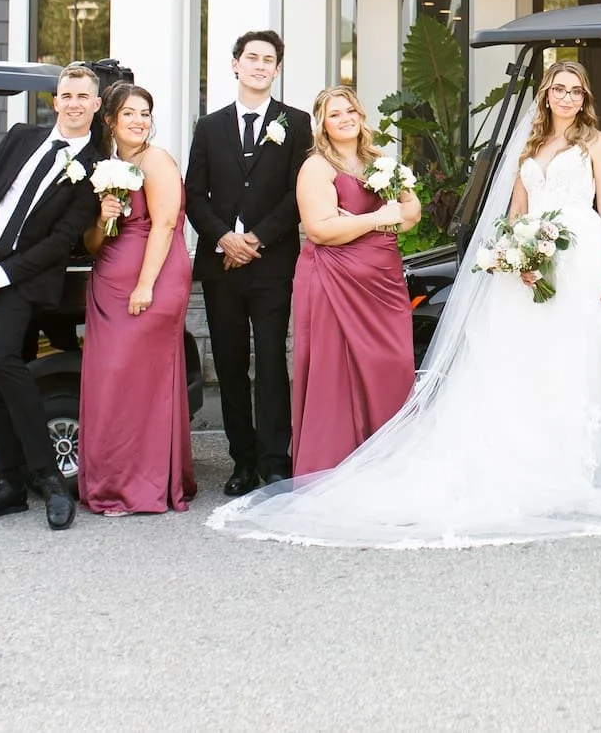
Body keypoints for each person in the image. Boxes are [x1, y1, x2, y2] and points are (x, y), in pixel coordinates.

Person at [209, 57, 601, 547]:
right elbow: (515, 211)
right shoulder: (530, 144)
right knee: (525, 357)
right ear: (547, 95)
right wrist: (515, 254)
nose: (567, 97)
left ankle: (583, 461)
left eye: (576, 90)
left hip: (582, 256)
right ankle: (527, 454)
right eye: (559, 89)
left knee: (578, 357)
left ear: (584, 97)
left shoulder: (595, 142)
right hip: (533, 255)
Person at [0, 62, 105, 530]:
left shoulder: (97, 170)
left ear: (96, 105)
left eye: (83, 97)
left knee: (2, 360)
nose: (73, 104)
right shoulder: (19, 137)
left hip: (23, 277)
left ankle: (50, 479)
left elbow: (60, 242)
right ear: (55, 101)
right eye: (66, 95)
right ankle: (9, 484)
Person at [181, 29, 312, 495]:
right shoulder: (209, 127)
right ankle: (242, 461)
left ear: (277, 70)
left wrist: (255, 238)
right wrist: (223, 238)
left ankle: (276, 460)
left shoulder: (296, 124)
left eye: (269, 59)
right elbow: (193, 194)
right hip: (222, 265)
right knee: (231, 364)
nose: (259, 65)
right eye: (251, 57)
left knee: (273, 361)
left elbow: (300, 194)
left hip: (272, 262)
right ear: (235, 64)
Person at [76, 82, 197, 516]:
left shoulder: (156, 160)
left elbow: (165, 224)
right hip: (108, 278)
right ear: (109, 120)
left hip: (153, 277)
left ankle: (140, 486)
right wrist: (102, 218)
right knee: (110, 381)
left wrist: (145, 285)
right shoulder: (108, 168)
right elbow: (92, 243)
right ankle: (112, 477)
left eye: (145, 112)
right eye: (129, 113)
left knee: (138, 378)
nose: (139, 120)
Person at [285, 86, 419, 476]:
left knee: (392, 363)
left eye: (350, 111)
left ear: (361, 116)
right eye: (334, 114)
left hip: (383, 281)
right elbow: (321, 230)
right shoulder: (317, 168)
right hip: (333, 281)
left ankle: (388, 465)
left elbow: (411, 213)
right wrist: (377, 219)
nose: (345, 119)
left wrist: (355, 222)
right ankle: (335, 466)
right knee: (336, 371)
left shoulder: (379, 161)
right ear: (322, 126)